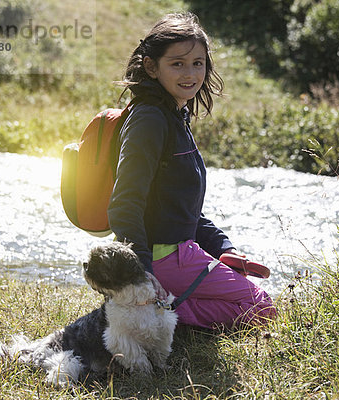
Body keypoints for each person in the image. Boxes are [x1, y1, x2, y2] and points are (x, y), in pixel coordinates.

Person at [107, 12, 276, 329]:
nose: (190, 73)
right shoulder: (149, 119)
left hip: (180, 254)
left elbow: (180, 207)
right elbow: (124, 202)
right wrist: (139, 274)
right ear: (152, 67)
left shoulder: (173, 115)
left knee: (254, 300)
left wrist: (225, 249)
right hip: (162, 259)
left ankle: (154, 309)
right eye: (178, 63)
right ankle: (150, 313)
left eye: (198, 63)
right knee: (261, 307)